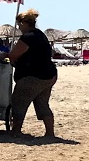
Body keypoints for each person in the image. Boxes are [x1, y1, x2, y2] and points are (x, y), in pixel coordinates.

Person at [6, 9, 57, 138]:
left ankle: (16, 131)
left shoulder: (28, 37)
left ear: (24, 23)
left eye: (19, 25)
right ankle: (50, 133)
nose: (18, 28)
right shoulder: (40, 35)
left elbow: (14, 54)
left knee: (18, 101)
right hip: (49, 75)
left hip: (33, 76)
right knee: (42, 104)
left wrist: (5, 56)